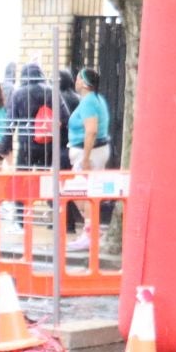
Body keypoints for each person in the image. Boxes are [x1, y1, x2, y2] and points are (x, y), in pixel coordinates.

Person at [67, 67, 112, 247]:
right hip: (95, 151)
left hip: (89, 153)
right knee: (84, 189)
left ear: (84, 83)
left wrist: (85, 158)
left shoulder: (88, 103)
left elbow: (91, 130)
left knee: (79, 190)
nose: (75, 82)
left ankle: (89, 231)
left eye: (78, 79)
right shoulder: (96, 100)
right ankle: (92, 229)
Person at [1, 63, 57, 170]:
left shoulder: (18, 93)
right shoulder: (51, 91)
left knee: (23, 178)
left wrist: (4, 146)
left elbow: (10, 123)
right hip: (46, 141)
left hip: (26, 143)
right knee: (43, 178)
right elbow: (64, 116)